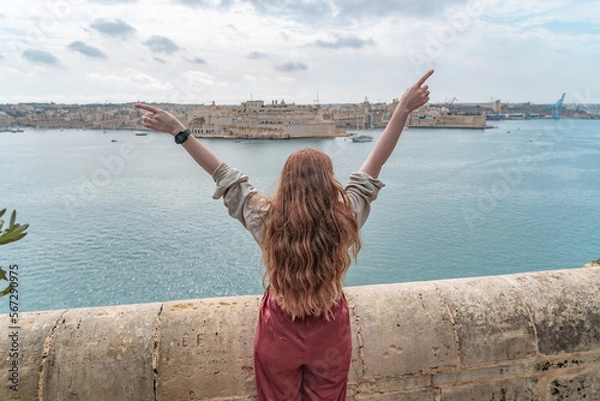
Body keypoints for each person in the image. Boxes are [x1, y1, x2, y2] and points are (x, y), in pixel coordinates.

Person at [136, 69, 433, 401]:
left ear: (286, 181)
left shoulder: (267, 220)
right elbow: (375, 163)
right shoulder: (345, 216)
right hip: (330, 330)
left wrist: (179, 131)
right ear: (329, 182)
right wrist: (403, 110)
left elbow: (223, 174)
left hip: (279, 329)